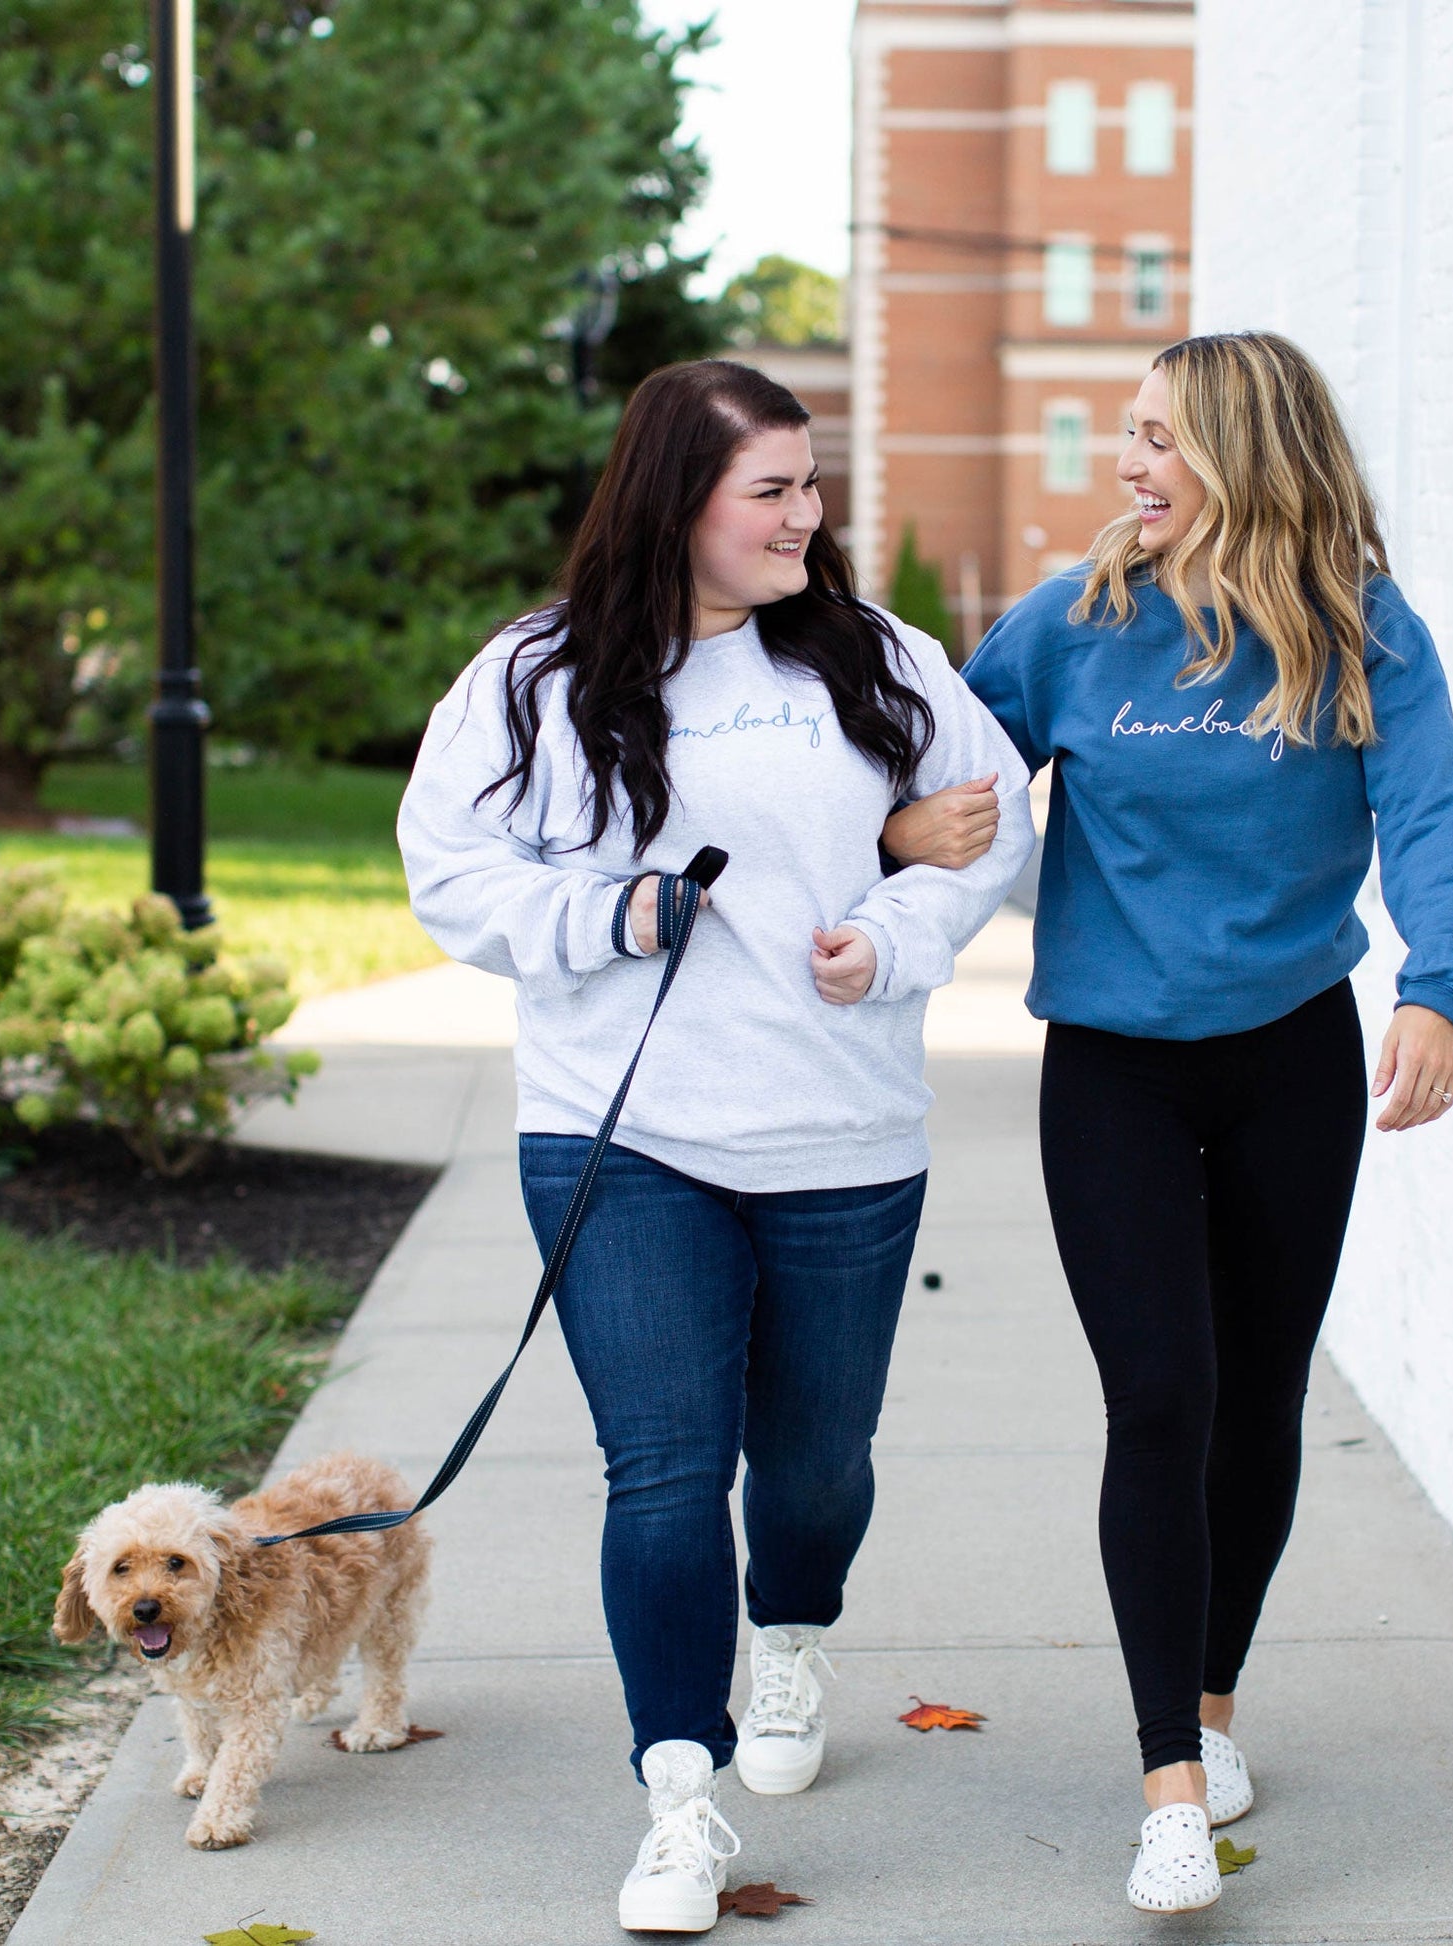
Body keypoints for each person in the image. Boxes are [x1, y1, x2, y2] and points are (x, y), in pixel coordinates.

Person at [397, 359, 1032, 1935]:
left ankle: (793, 1633)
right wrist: (602, 910)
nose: (807, 517)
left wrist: (887, 932)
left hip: (841, 1128)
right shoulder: (536, 677)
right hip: (627, 1137)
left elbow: (993, 815)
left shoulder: (872, 658)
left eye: (812, 486)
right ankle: (681, 1797)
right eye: (772, 490)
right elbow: (447, 868)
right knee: (665, 1468)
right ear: (677, 499)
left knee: (812, 1465)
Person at [890, 330, 1453, 1914]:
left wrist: (1441, 986)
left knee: (1258, 1394)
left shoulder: (1359, 626)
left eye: (1157, 437)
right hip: (1112, 1068)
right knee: (1159, 1393)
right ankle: (1169, 1780)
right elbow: (934, 769)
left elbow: (1428, 807)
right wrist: (903, 827)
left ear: (1242, 451)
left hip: (1293, 1051)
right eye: (1128, 436)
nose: (1127, 464)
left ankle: (1215, 1704)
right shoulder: (1073, 625)